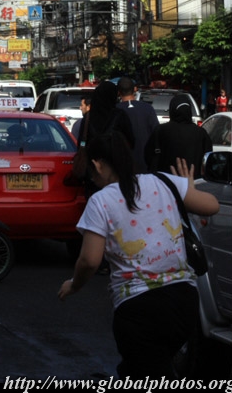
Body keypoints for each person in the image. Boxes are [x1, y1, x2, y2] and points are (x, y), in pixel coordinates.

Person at [58, 131, 219, 380]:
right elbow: (212, 205)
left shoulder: (100, 201)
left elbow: (90, 260)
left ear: (97, 165)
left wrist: (74, 285)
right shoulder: (163, 181)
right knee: (145, 369)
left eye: (90, 171)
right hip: (183, 303)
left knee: (146, 371)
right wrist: (187, 187)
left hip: (138, 311)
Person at [145, 93, 213, 176]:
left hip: (165, 180)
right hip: (193, 181)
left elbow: (148, 155)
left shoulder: (161, 130)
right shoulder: (201, 133)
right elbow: (208, 159)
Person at [116, 76, 159, 172]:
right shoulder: (148, 108)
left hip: (123, 165)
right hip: (146, 164)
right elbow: (156, 133)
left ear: (118, 92)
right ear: (135, 89)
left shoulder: (115, 111)